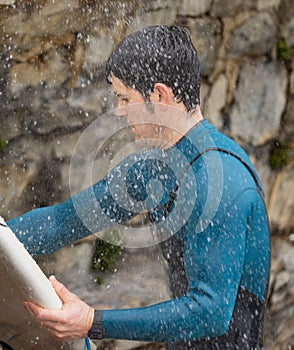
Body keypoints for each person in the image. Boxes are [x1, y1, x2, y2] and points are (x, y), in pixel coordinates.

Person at [7, 25, 271, 349]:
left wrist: (92, 322)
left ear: (159, 96)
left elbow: (210, 312)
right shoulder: (153, 168)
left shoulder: (223, 181)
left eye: (124, 97)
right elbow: (63, 222)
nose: (118, 110)